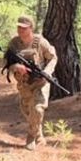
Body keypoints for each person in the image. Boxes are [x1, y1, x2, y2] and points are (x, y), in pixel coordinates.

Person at [6, 15, 57, 150]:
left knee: (38, 109)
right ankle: (38, 134)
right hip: (24, 84)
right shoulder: (14, 44)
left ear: (31, 28)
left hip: (41, 81)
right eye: (19, 27)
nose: (20, 30)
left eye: (24, 28)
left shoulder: (40, 42)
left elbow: (53, 58)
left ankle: (31, 137)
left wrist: (47, 72)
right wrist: (16, 67)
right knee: (28, 111)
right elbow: (6, 62)